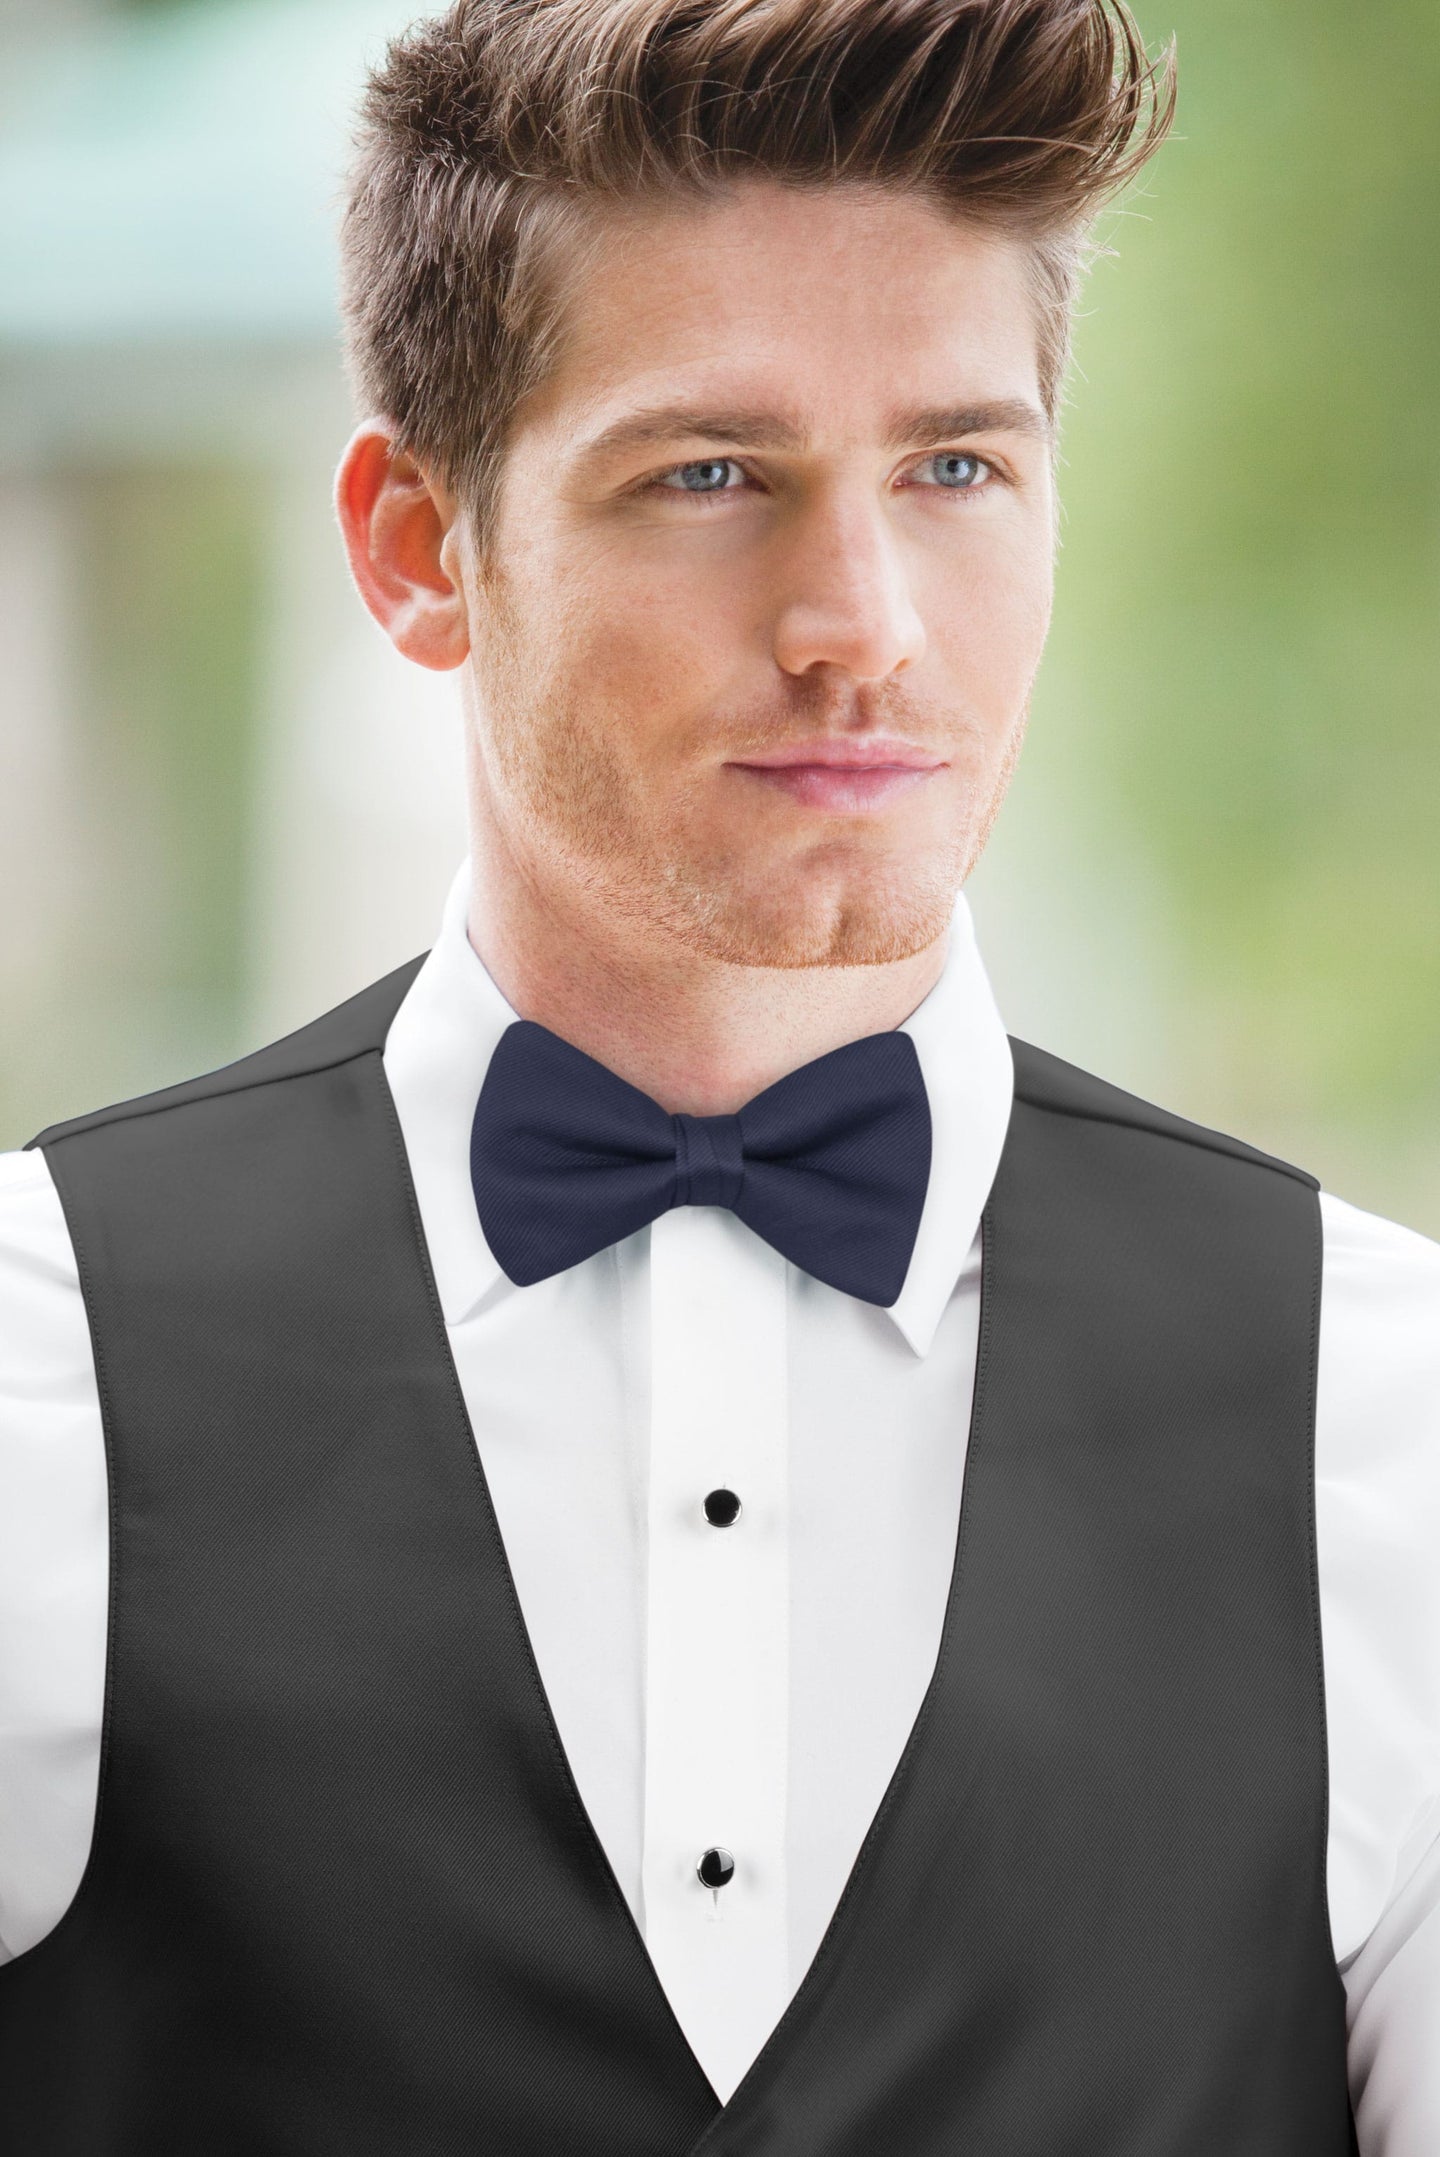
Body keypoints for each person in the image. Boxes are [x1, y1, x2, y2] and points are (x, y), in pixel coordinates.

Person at [0, 0, 1435, 2146]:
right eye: (710, 475)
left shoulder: (1393, 1417)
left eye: (956, 466)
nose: (861, 617)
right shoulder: (32, 1371)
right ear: (417, 545)